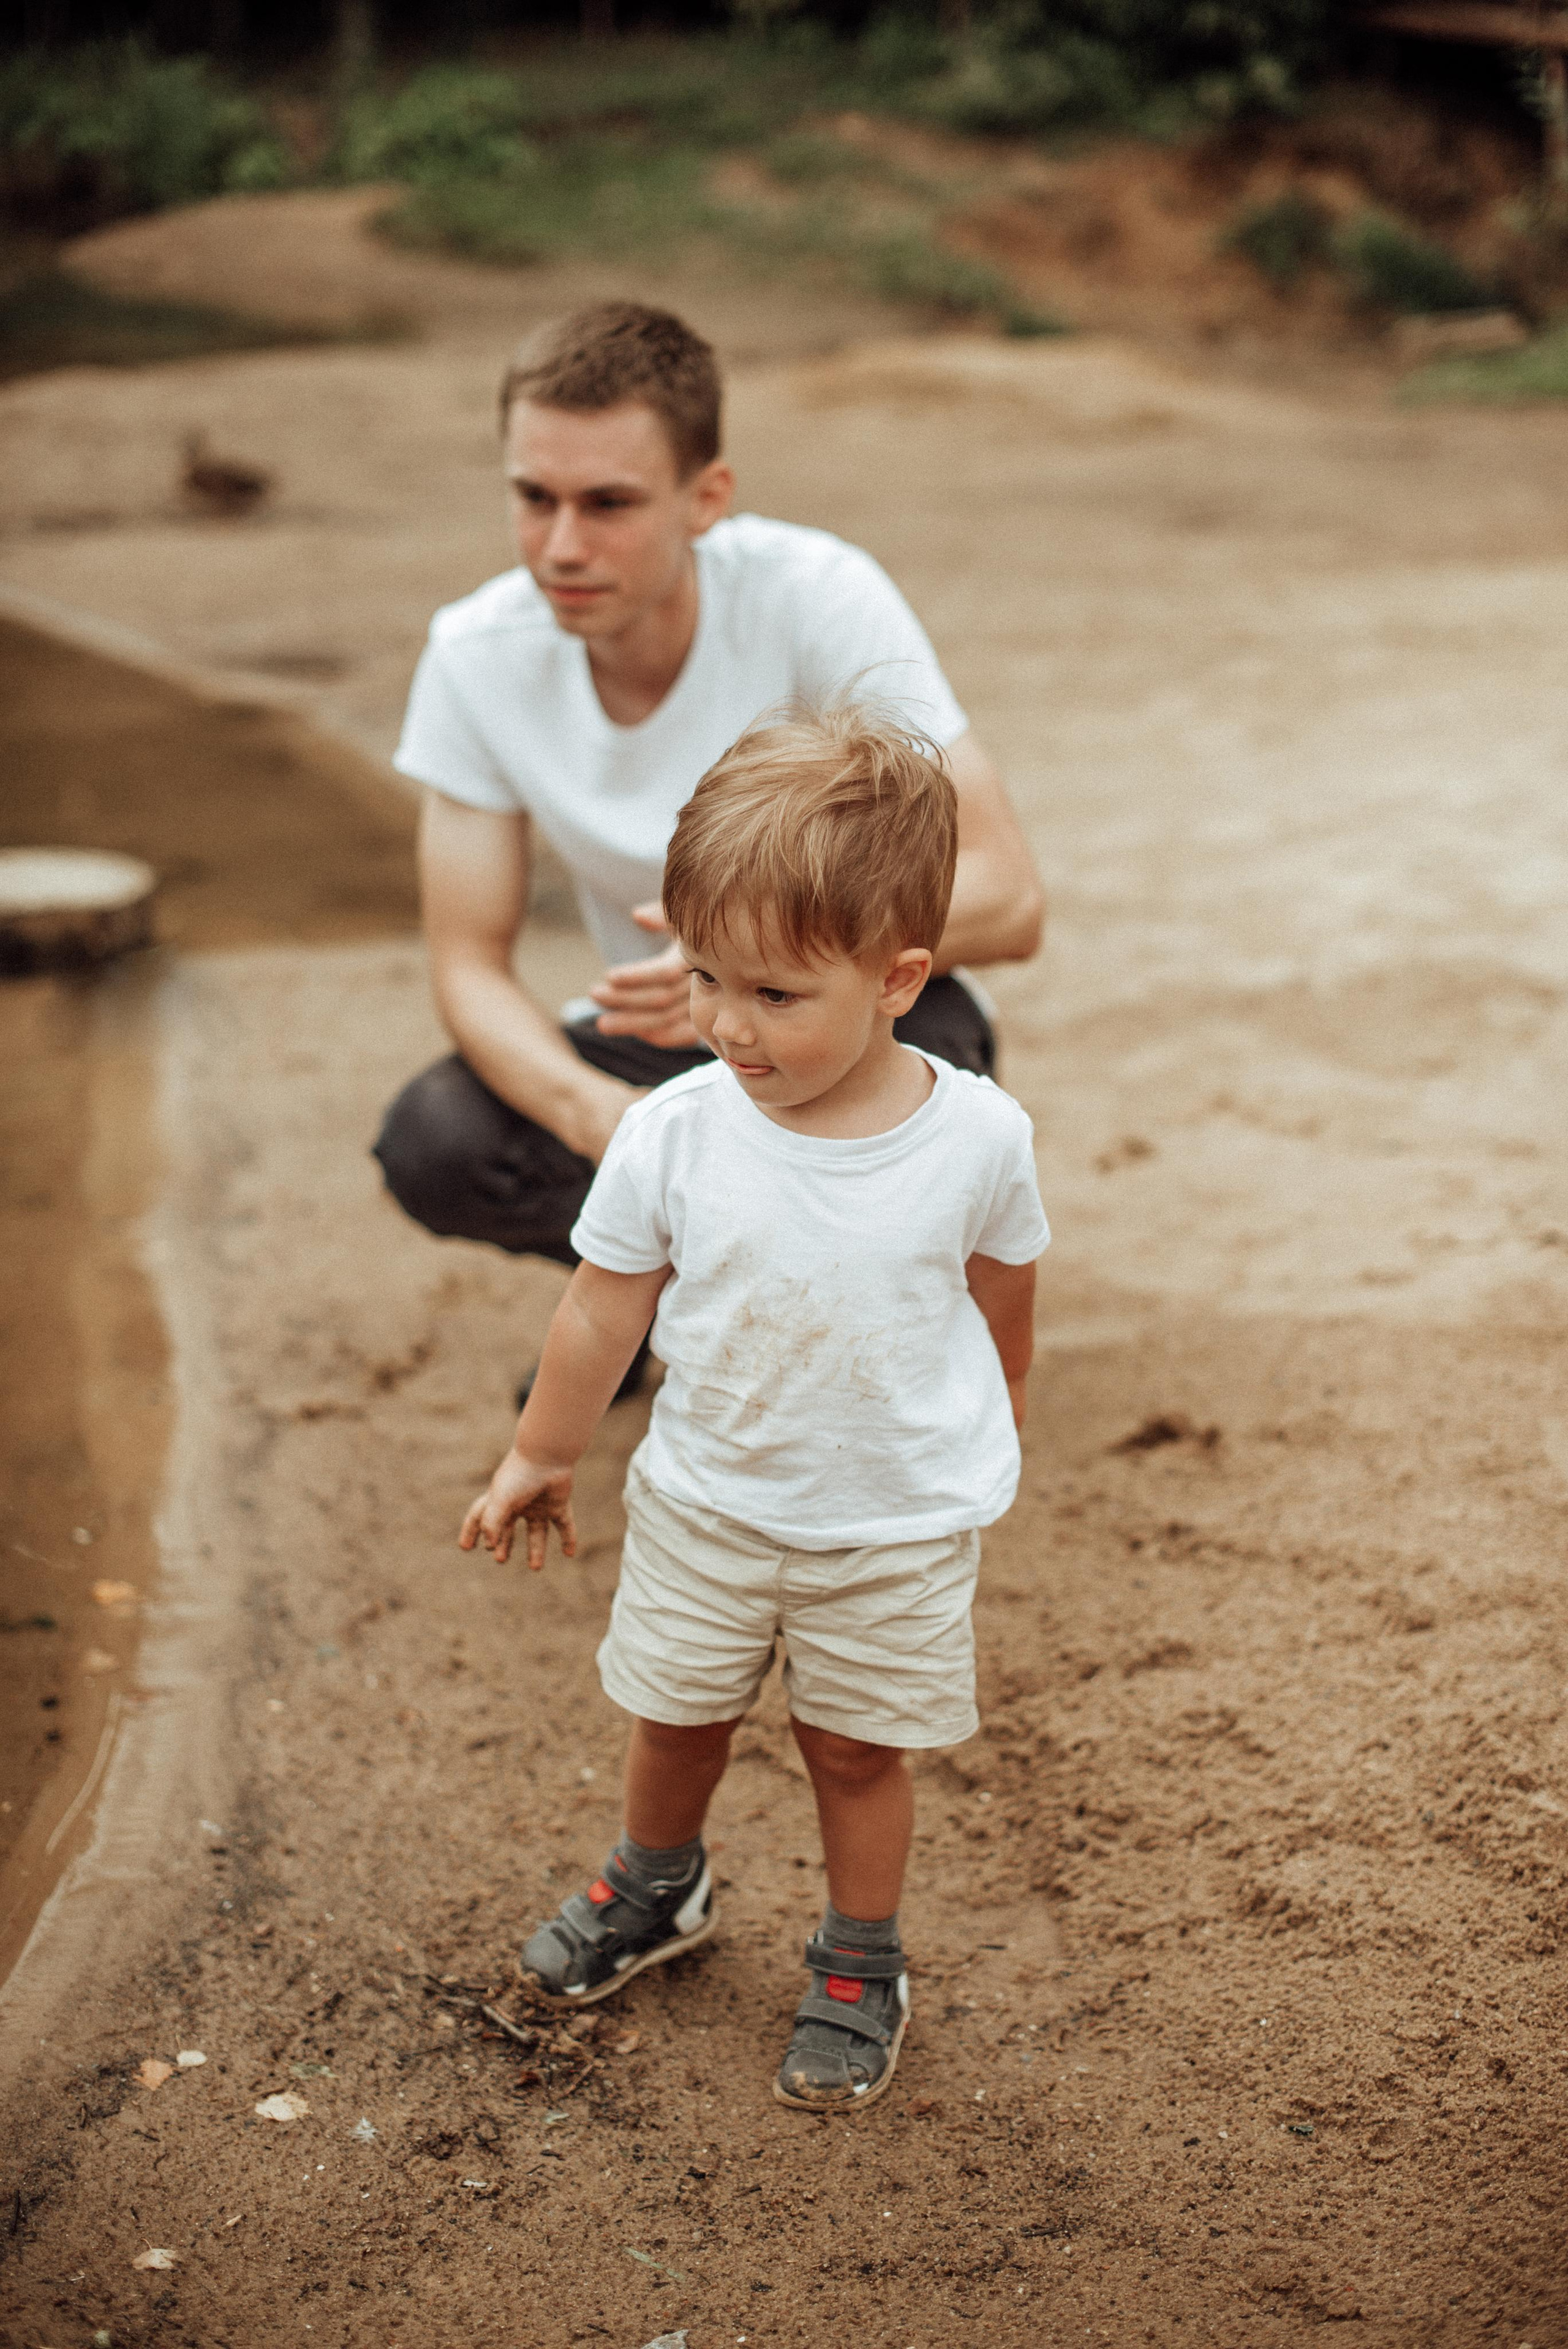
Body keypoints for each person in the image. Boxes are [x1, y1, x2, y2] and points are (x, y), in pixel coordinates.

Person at [459, 704, 1050, 2111]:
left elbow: (1002, 1287)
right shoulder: (673, 1129)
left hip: (890, 1521)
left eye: (776, 995)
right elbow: (602, 1307)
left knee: (853, 1747)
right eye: (707, 977)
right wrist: (541, 1452)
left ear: (897, 979)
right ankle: (655, 1882)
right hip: (708, 1501)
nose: (726, 1024)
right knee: (674, 1713)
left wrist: (1001, 1420)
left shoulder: (974, 1137)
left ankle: (858, 1956)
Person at [374, 301, 1044, 1393]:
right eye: (534, 498)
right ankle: (665, 1288)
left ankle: (842, 1315)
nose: (562, 546)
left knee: (935, 1066)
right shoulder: (475, 654)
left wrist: (752, 955)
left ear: (707, 498)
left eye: (609, 504)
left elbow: (1009, 898)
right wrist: (608, 1123)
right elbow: (467, 963)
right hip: (661, 1031)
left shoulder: (818, 596)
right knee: (438, 1137)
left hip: (844, 1013)